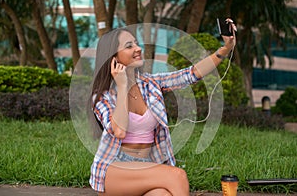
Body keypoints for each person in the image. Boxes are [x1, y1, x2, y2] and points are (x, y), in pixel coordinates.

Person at [88, 20, 236, 196]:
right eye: (129, 46)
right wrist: (121, 86)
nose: (137, 48)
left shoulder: (150, 83)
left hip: (147, 165)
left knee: (163, 194)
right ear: (113, 57)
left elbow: (191, 74)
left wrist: (225, 49)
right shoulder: (102, 96)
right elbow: (119, 131)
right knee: (177, 176)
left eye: (136, 43)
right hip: (115, 170)